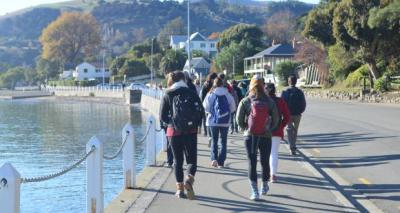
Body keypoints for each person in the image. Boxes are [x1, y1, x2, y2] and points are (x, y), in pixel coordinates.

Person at [160, 71, 204, 199]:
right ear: (184, 79)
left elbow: (162, 116)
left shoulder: (168, 94)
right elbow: (200, 112)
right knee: (191, 160)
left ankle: (179, 190)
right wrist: (196, 125)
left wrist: (171, 125)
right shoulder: (191, 92)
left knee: (177, 161)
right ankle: (189, 180)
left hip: (173, 132)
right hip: (191, 131)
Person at [236, 75, 279, 200]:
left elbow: (238, 119)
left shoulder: (246, 101)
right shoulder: (270, 101)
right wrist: (268, 129)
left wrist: (246, 128)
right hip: (265, 136)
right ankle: (264, 186)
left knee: (252, 162)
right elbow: (276, 119)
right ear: (263, 85)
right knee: (265, 162)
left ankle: (254, 192)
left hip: (250, 136)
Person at [203, 77, 236, 168]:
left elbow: (205, 107)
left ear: (214, 84)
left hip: (213, 121)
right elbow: (233, 107)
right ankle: (221, 162)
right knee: (223, 142)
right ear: (222, 84)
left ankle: (214, 159)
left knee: (214, 140)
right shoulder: (227, 94)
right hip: (225, 122)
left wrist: (212, 112)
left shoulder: (210, 94)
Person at [266, 83, 290, 182]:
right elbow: (287, 116)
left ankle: (266, 174)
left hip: (264, 131)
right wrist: (281, 125)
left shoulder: (263, 101)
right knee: (274, 153)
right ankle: (273, 175)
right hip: (277, 130)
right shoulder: (280, 101)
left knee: (265, 154)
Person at [281, 75, 306, 155]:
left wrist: (283, 113)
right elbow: (303, 103)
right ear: (296, 82)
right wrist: (300, 111)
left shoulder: (285, 92)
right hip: (298, 114)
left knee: (289, 129)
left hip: (288, 114)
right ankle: (293, 145)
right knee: (295, 130)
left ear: (289, 82)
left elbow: (282, 103)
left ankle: (292, 146)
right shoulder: (300, 92)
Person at [200, 72, 218, 137]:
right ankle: (210, 135)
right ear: (212, 79)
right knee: (208, 120)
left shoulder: (207, 85)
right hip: (208, 105)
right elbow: (202, 96)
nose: (216, 80)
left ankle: (209, 134)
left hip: (208, 105)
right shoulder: (207, 86)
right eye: (215, 78)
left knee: (208, 120)